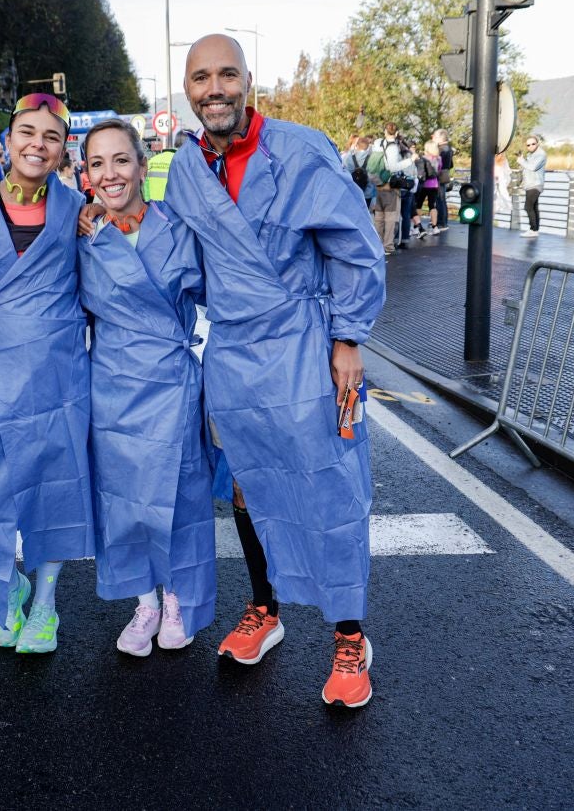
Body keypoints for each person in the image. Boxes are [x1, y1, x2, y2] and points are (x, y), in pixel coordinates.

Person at [162, 35, 384, 707]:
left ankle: (351, 637)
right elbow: (179, 257)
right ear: (188, 89)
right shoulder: (185, 170)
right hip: (232, 352)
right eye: (201, 78)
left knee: (331, 486)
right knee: (247, 487)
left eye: (227, 74)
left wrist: (347, 338)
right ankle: (266, 609)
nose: (215, 89)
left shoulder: (300, 147)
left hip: (304, 344)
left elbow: (354, 246)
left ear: (248, 81)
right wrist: (111, 229)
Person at [0, 93, 93, 654]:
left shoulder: (78, 209)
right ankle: (6, 583)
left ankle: (46, 604)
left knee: (55, 484)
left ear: (65, 149)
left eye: (51, 136)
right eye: (27, 133)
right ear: (7, 141)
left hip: (57, 371)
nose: (38, 144)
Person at [76, 118, 214, 656]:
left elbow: (214, 295)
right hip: (111, 384)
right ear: (85, 174)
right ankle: (144, 601)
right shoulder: (82, 236)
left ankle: (179, 596)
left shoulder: (179, 226)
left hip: (173, 382)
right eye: (97, 163)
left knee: (181, 495)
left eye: (120, 160)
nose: (110, 174)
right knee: (123, 499)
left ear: (141, 163)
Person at [369, 123, 415, 256]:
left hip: (377, 185)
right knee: (390, 218)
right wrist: (410, 160)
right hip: (389, 186)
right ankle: (388, 246)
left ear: (384, 131)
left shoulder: (377, 143)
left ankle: (377, 244)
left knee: (378, 217)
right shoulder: (393, 147)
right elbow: (393, 167)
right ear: (396, 133)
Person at [517, 135, 546, 238]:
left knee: (528, 207)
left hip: (535, 184)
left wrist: (521, 161)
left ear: (537, 143)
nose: (531, 146)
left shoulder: (541, 154)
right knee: (534, 207)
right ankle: (535, 230)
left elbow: (532, 167)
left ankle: (533, 230)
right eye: (528, 145)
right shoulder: (531, 155)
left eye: (533, 144)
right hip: (530, 184)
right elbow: (526, 169)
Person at [414, 140, 442, 237]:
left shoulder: (423, 158)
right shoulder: (439, 158)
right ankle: (435, 227)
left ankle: (417, 227)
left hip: (423, 184)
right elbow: (439, 170)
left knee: (418, 205)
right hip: (434, 185)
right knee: (432, 206)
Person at [434, 128, 454, 231]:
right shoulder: (449, 149)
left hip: (439, 176)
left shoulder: (441, 149)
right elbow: (451, 165)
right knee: (442, 199)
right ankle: (443, 222)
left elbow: (436, 164)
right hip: (445, 175)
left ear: (440, 137)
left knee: (439, 199)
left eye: (436, 136)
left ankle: (441, 223)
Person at [493, 152, 513, 220]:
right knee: (493, 199)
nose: (500, 155)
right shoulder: (492, 159)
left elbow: (507, 173)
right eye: (498, 154)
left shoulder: (504, 161)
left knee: (498, 198)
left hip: (500, 181)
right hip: (492, 182)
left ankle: (491, 217)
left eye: (501, 154)